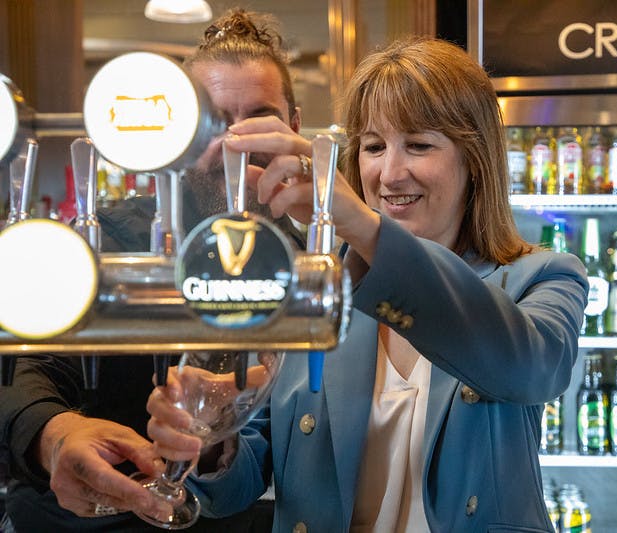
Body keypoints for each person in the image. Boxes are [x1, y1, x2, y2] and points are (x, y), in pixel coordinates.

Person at [146, 37, 589, 532]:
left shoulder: (543, 276)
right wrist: (210, 435)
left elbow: (527, 366)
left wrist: (360, 224)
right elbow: (244, 477)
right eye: (374, 147)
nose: (389, 175)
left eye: (418, 145)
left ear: (475, 159)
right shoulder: (312, 284)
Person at [0, 9, 305, 531]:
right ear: (182, 132)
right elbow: (26, 363)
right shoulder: (107, 239)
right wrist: (55, 435)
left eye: (259, 120)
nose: (235, 144)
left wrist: (217, 444)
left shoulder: (304, 265)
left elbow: (273, 448)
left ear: (293, 129)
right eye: (215, 123)